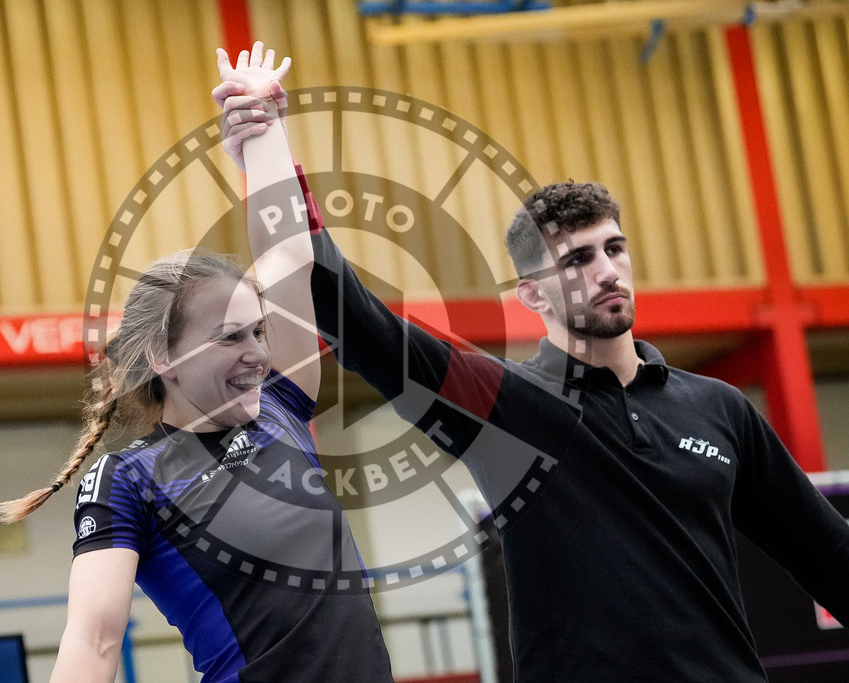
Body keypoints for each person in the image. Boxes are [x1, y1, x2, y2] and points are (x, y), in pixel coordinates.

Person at [216, 69, 849, 681]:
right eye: (577, 260)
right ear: (532, 295)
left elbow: (827, 553)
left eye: (614, 248)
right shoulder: (506, 406)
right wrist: (270, 153)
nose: (606, 271)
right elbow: (352, 317)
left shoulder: (720, 409)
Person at [0, 43, 394, 683]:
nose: (257, 354)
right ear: (163, 357)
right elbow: (94, 640)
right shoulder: (128, 479)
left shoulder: (282, 409)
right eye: (231, 338)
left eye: (259, 332)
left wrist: (262, 131)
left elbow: (287, 259)